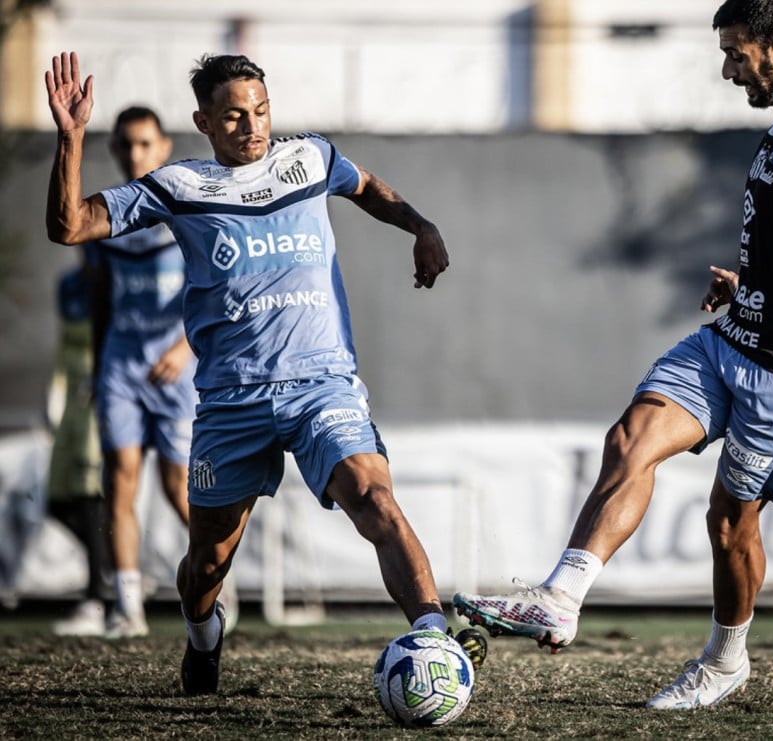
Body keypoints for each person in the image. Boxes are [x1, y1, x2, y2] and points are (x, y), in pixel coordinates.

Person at [454, 0, 773, 710]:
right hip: (735, 336)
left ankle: (726, 661)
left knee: (730, 521)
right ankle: (561, 596)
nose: (728, 70)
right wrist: (748, 280)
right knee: (630, 437)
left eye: (737, 54)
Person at [44, 50, 484, 695]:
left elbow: (366, 188)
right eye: (233, 116)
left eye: (261, 111)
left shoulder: (309, 160)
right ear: (204, 122)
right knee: (207, 563)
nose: (252, 126)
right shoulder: (179, 187)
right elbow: (70, 225)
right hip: (232, 400)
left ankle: (435, 640)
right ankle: (202, 634)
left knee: (375, 498)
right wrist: (71, 137)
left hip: (322, 386)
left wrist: (420, 226)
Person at [88, 106, 238, 639]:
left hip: (177, 369)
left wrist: (183, 347)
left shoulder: (186, 208)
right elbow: (100, 299)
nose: (135, 154)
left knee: (180, 487)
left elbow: (219, 287)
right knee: (120, 482)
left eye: (145, 144)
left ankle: (217, 584)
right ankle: (126, 605)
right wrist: (96, 366)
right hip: (120, 367)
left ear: (164, 148)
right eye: (126, 145)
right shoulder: (106, 215)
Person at [47, 244, 111, 636]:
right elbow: (64, 344)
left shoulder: (110, 285)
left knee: (90, 492)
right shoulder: (69, 284)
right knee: (56, 498)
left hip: (98, 395)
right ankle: (108, 560)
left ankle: (97, 594)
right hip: (70, 396)